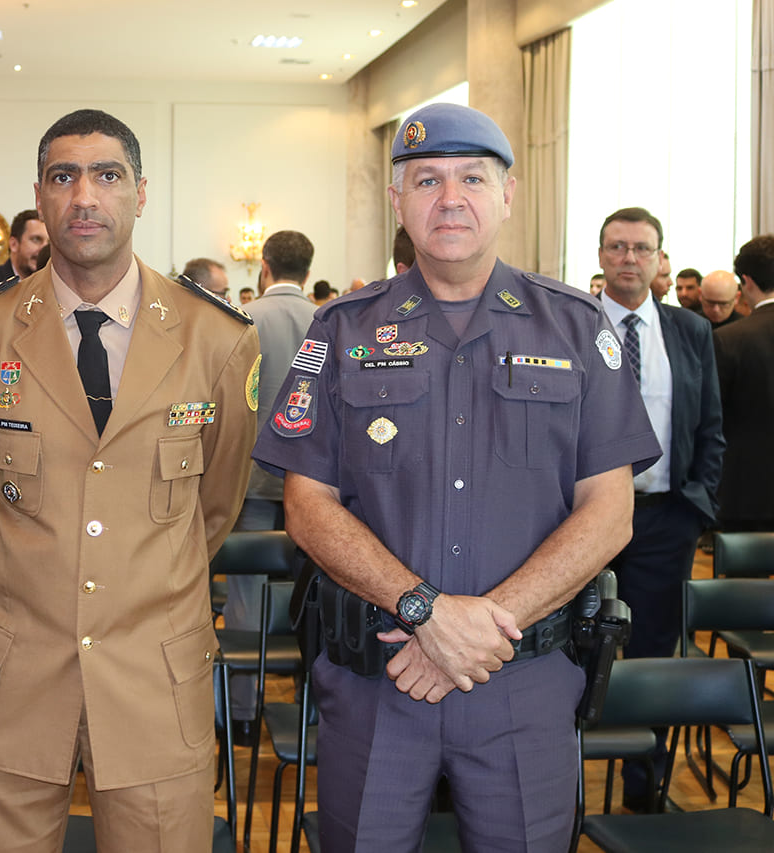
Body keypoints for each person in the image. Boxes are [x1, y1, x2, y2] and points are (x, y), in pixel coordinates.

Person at [252, 103, 660, 850]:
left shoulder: (576, 327)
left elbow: (611, 512)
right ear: (398, 203)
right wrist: (427, 613)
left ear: (508, 194)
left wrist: (480, 629)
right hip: (381, 678)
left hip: (522, 685)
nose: (451, 198)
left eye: (473, 177)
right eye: (427, 179)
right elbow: (307, 509)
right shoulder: (341, 328)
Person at [0, 108, 259, 853]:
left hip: (153, 674)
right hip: (15, 670)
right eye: (63, 177)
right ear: (41, 200)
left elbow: (216, 507)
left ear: (141, 193)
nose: (85, 195)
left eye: (107, 175)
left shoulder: (217, 338)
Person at [596, 206, 724, 810]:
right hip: (582, 519)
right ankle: (554, 782)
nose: (629, 259)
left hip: (665, 517)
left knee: (652, 655)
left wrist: (697, 504)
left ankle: (643, 790)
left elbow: (711, 425)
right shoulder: (571, 326)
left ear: (659, 259)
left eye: (641, 249)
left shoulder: (690, 331)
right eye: (617, 248)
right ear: (600, 257)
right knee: (572, 649)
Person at [229, 229, 317, 741]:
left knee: (246, 590)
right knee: (314, 591)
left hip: (254, 473)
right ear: (308, 268)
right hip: (313, 481)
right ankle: (308, 706)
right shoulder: (327, 320)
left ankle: (242, 711)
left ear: (263, 265)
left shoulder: (245, 319)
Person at [713, 234, 774, 531]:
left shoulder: (729, 339)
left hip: (746, 491)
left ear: (746, 281)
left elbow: (712, 418)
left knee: (743, 578)